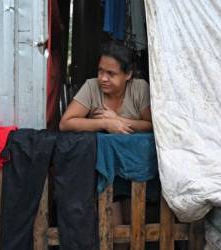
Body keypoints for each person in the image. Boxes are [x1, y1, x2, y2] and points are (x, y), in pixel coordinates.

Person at [59, 41, 152, 249]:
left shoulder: (139, 88)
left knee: (135, 228)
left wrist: (118, 119)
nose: (103, 78)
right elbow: (66, 123)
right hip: (103, 171)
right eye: (100, 71)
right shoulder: (92, 87)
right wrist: (105, 123)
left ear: (128, 75)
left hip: (134, 171)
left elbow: (152, 125)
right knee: (112, 230)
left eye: (111, 73)